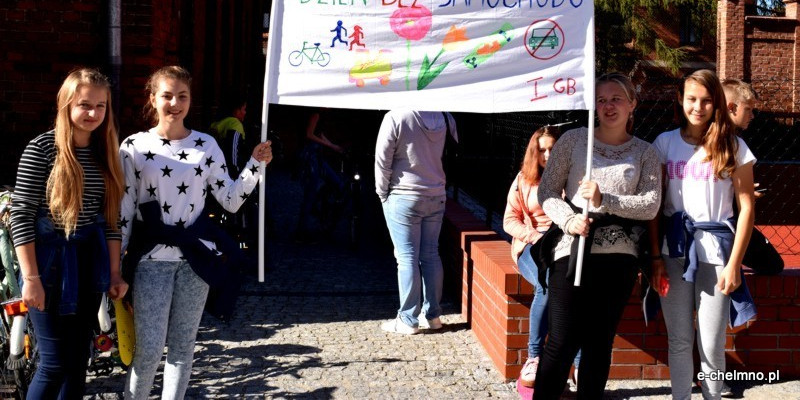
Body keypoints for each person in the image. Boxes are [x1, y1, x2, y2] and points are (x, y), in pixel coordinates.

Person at [119, 66, 273, 399]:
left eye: (182, 96)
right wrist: (115, 267)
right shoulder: (133, 147)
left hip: (196, 260)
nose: (175, 103)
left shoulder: (207, 146)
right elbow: (125, 211)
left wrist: (254, 165)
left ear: (191, 99)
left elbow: (231, 201)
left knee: (183, 348)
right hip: (150, 261)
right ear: (152, 98)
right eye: (167, 95)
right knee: (148, 349)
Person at [534, 73, 662, 398]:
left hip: (618, 262)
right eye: (601, 100)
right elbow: (548, 191)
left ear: (632, 104)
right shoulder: (575, 141)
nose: (608, 106)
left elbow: (650, 205)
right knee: (561, 341)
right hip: (573, 251)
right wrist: (568, 220)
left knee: (598, 343)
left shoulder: (645, 152)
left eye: (616, 98)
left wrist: (606, 200)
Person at [10, 68, 128, 398]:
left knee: (78, 360)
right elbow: (20, 216)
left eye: (101, 106)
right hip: (47, 263)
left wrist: (115, 273)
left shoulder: (105, 151)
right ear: (66, 104)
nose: (93, 113)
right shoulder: (42, 148)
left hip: (89, 262)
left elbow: (110, 221)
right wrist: (30, 278)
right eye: (84, 104)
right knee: (54, 362)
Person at [651, 69, 756, 400]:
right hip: (673, 252)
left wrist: (735, 264)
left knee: (711, 342)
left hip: (716, 254)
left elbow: (747, 209)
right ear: (681, 100)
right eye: (691, 99)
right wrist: (655, 258)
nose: (698, 107)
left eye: (707, 100)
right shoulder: (663, 144)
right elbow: (654, 209)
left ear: (717, 104)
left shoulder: (734, 146)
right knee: (679, 339)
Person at [502, 126, 580, 388]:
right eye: (542, 149)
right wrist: (535, 237)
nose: (548, 154)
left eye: (553, 149)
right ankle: (534, 357)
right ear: (534, 153)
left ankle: (578, 364)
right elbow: (509, 220)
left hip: (567, 244)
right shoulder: (524, 179)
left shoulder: (573, 176)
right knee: (546, 286)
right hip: (532, 245)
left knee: (574, 290)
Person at [375, 109, 457, 335]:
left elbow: (383, 159)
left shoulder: (396, 115)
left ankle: (407, 319)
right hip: (436, 192)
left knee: (406, 257)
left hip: (404, 193)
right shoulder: (444, 116)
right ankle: (433, 316)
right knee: (431, 254)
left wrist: (382, 193)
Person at [721, 78, 783, 275]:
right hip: (723, 223)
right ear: (731, 107)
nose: (752, 115)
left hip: (723, 222)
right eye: (748, 109)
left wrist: (741, 191)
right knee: (773, 264)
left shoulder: (732, 143)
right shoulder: (734, 144)